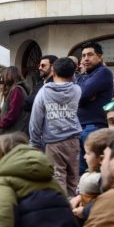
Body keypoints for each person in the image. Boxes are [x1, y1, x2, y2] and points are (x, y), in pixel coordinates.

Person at [29, 57, 82, 197]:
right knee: (73, 180)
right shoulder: (77, 90)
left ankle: (62, 213)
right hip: (74, 141)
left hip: (53, 143)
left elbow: (36, 118)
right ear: (73, 73)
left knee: (57, 181)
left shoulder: (44, 91)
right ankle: (73, 213)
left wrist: (34, 142)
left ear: (53, 70)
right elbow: (74, 80)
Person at [75, 42, 114, 174]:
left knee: (95, 171)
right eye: (83, 55)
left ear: (100, 56)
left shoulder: (103, 72)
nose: (86, 58)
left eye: (90, 55)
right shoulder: (81, 77)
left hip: (94, 129)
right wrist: (82, 96)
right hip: (79, 129)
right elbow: (75, 96)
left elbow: (81, 95)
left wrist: (82, 96)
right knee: (81, 173)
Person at [0, 66, 29, 135]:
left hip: (14, 133)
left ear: (9, 76)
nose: (2, 79)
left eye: (4, 76)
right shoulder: (12, 90)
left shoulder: (17, 90)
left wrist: (0, 125)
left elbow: (13, 113)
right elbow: (4, 111)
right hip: (10, 132)